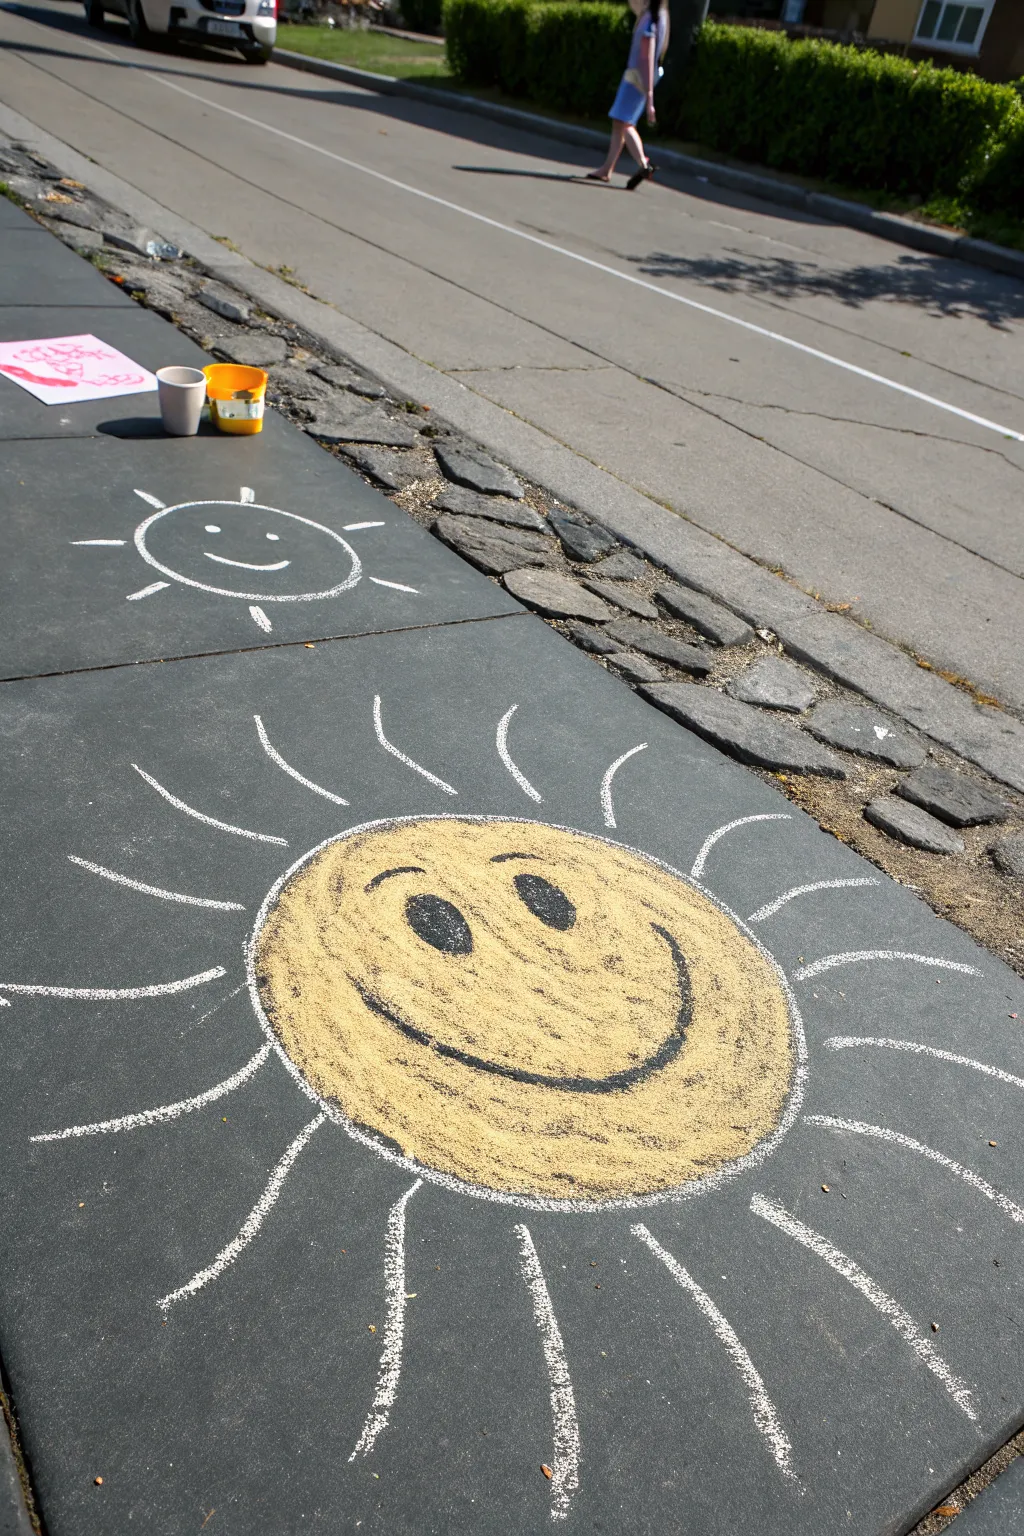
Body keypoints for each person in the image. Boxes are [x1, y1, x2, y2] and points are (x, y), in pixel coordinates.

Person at [588, 0, 669, 190]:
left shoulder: (650, 20)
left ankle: (643, 164)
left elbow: (647, 57)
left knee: (624, 122)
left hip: (635, 79)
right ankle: (607, 168)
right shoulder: (660, 17)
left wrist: (649, 96)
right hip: (639, 79)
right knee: (620, 123)